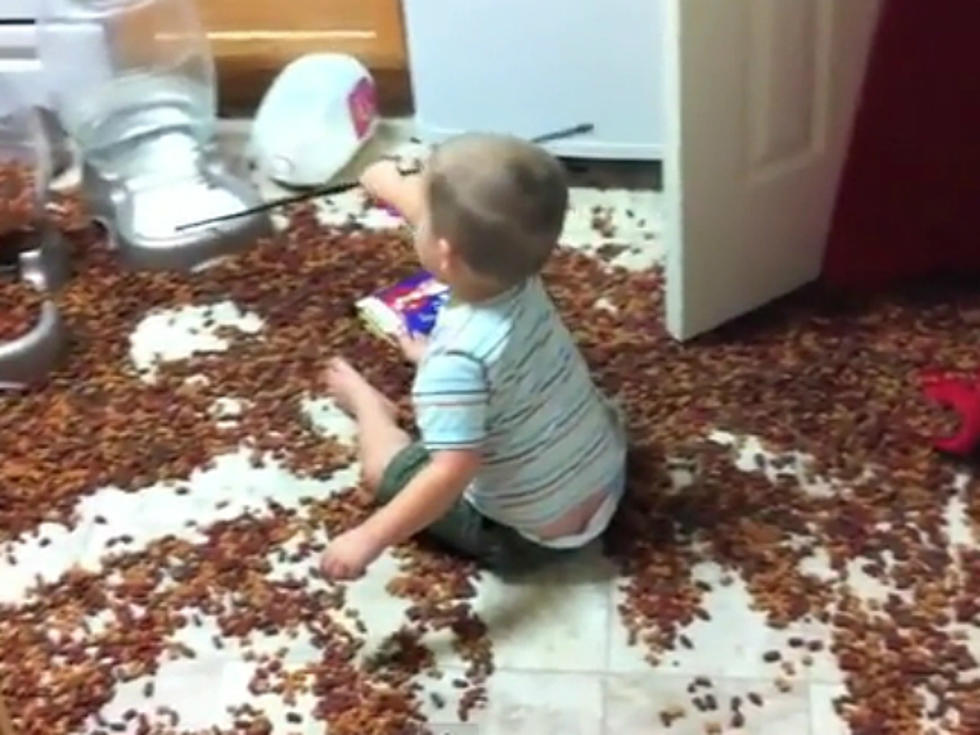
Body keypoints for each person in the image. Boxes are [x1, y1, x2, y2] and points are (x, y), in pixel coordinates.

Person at [319, 133, 627, 580]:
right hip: (606, 477)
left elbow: (450, 475)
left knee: (383, 469)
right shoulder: (520, 273)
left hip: (526, 536)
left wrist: (368, 539)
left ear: (443, 252)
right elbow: (440, 217)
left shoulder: (454, 359)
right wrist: (384, 180)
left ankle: (371, 410)